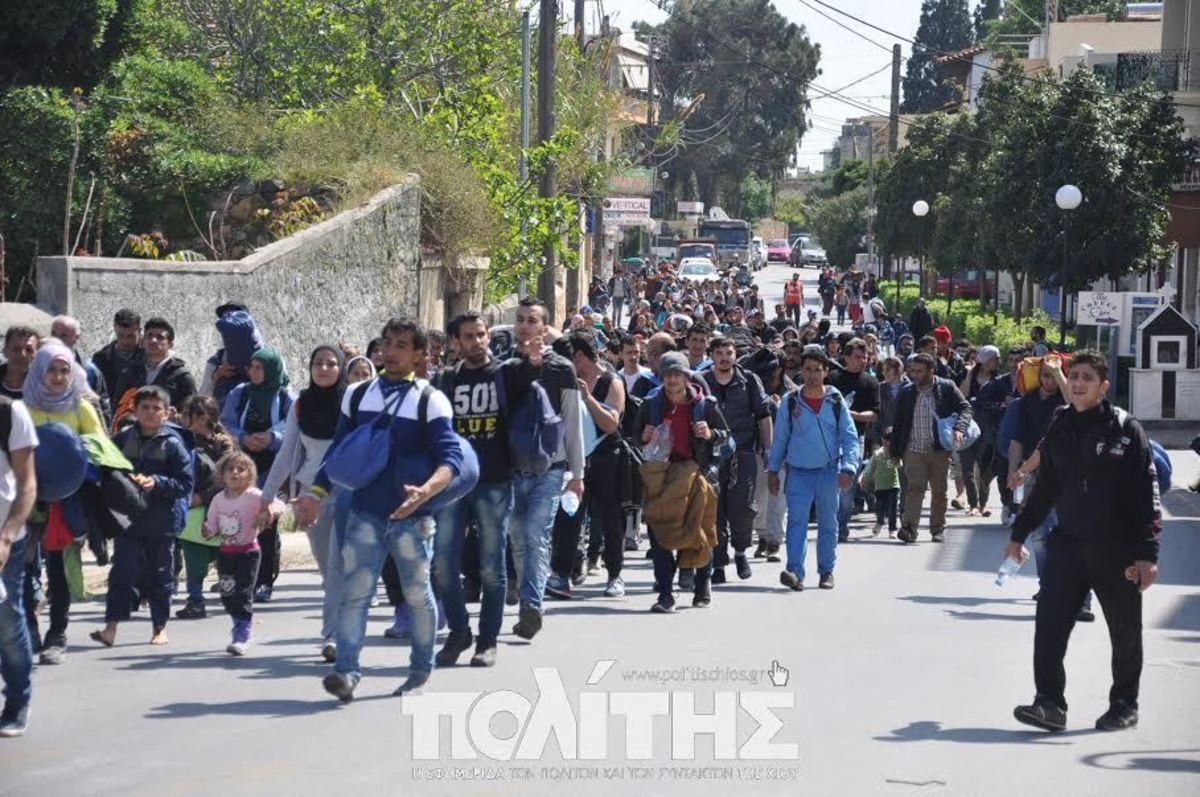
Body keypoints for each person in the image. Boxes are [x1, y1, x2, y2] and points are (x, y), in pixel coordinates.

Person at [296, 318, 467, 702]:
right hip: (364, 514)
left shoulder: (430, 399)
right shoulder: (356, 396)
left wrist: (425, 491)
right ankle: (347, 672)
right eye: (388, 343)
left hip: (412, 521)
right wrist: (314, 494)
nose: (391, 351)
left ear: (420, 354)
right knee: (355, 594)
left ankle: (420, 670)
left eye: (402, 345)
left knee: (418, 596)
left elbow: (451, 459)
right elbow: (338, 453)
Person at [1006, 351, 1161, 733]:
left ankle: (1124, 704)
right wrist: (1018, 533)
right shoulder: (1061, 425)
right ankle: (1049, 704)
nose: (1077, 383)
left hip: (1117, 548)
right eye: (1073, 376)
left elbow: (1147, 495)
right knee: (1049, 625)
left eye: (1086, 378)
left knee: (1124, 631)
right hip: (1068, 545)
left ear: (1104, 386)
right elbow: (1046, 489)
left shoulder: (1126, 429)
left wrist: (1147, 555)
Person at [432, 313, 514, 668]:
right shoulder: (446, 381)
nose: (478, 341)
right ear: (456, 342)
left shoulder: (505, 374)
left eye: (482, 334)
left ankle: (488, 640)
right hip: (453, 482)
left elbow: (547, 367)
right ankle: (459, 631)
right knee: (442, 564)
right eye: (469, 336)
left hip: (495, 480)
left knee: (492, 567)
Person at [503, 298, 585, 641]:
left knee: (536, 535)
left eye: (532, 320)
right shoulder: (504, 367)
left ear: (544, 327)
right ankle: (527, 596)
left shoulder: (561, 368)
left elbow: (572, 423)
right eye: (520, 319)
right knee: (518, 539)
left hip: (549, 470)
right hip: (510, 470)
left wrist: (577, 475)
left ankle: (532, 606)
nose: (525, 326)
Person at [20, 341, 105, 665]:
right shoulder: (22, 407)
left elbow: (101, 449)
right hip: (26, 500)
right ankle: (29, 632)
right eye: (51, 370)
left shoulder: (79, 407)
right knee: (24, 567)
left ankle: (57, 635)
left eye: (64, 370)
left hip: (65, 501)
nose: (57, 377)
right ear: (38, 371)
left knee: (57, 571)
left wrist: (75, 450)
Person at [91, 386, 194, 647]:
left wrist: (156, 483)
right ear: (134, 411)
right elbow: (107, 472)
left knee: (160, 575)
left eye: (156, 408)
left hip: (162, 521)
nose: (150, 413)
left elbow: (184, 484)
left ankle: (159, 627)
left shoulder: (174, 444)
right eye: (145, 407)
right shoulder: (123, 440)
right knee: (121, 574)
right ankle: (110, 628)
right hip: (129, 521)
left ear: (167, 413)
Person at [259, 345, 344, 655]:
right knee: (326, 568)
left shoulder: (352, 403)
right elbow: (286, 453)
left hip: (347, 493)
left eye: (331, 363)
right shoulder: (300, 404)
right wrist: (266, 497)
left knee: (337, 566)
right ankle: (341, 624)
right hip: (311, 498)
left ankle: (333, 636)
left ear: (341, 368)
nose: (323, 369)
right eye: (318, 363)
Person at [638, 352, 728, 613]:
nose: (673, 380)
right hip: (661, 478)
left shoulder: (705, 405)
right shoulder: (651, 404)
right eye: (668, 375)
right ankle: (665, 593)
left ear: (687, 376)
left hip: (696, 475)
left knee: (699, 532)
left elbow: (728, 438)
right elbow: (635, 436)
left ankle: (702, 585)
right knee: (660, 534)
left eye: (677, 374)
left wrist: (711, 434)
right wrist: (643, 437)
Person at [767, 349, 859, 591]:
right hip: (798, 472)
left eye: (817, 370)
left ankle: (826, 571)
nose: (812, 375)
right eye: (807, 369)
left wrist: (848, 468)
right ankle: (795, 572)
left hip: (829, 472)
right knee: (797, 521)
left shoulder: (836, 401)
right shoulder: (790, 401)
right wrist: (773, 470)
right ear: (801, 371)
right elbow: (780, 439)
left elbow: (850, 437)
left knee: (829, 523)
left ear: (826, 372)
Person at [546, 331, 626, 599]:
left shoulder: (611, 381)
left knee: (610, 518)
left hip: (606, 460)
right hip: (574, 460)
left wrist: (587, 397)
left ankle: (615, 574)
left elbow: (611, 423)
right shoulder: (563, 379)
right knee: (568, 516)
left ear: (579, 356)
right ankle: (561, 573)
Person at [220, 347, 293, 603]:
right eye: (251, 366)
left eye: (259, 367)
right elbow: (225, 421)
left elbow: (293, 427)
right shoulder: (239, 393)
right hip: (242, 467)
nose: (253, 371)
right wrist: (243, 438)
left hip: (273, 467)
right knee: (239, 520)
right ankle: (241, 578)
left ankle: (264, 580)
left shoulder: (284, 397)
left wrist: (272, 438)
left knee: (266, 523)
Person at [702, 337, 772, 584]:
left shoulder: (749, 381)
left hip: (743, 453)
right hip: (711, 456)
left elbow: (763, 416)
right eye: (719, 353)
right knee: (715, 511)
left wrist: (768, 450)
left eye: (728, 353)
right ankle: (718, 562)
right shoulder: (702, 382)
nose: (724, 357)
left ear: (735, 355)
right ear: (711, 355)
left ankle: (740, 551)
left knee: (743, 509)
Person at [202, 452, 282, 655]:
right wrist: (209, 530)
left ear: (250, 474)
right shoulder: (218, 499)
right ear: (222, 475)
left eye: (241, 469)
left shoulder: (254, 495)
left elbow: (278, 504)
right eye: (230, 469)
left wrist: (267, 513)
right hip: (226, 553)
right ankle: (238, 622)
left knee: (244, 593)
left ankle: (243, 633)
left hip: (249, 552)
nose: (235, 473)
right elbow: (212, 522)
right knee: (227, 594)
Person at [889, 353, 972, 544]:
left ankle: (937, 528)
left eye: (919, 371)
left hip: (938, 450)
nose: (914, 375)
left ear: (931, 371)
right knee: (914, 489)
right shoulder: (907, 392)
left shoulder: (946, 387)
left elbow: (965, 408)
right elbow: (899, 422)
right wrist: (895, 452)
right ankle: (909, 528)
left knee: (939, 491)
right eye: (912, 371)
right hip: (913, 449)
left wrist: (959, 428)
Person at [174, 396, 235, 621]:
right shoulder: (181, 439)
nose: (186, 418)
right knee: (194, 558)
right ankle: (195, 601)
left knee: (226, 558)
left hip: (220, 510)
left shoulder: (223, 442)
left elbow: (226, 473)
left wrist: (203, 497)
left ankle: (231, 595)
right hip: (191, 513)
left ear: (205, 417)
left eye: (192, 414)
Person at [0, 395, 38, 737]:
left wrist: (7, 536)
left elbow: (27, 485)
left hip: (4, 537)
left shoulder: (10, 413)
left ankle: (16, 703)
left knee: (7, 622)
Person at [827, 338, 880, 542]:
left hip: (855, 436)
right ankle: (830, 521)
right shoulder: (833, 378)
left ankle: (842, 524)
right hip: (830, 436)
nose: (862, 361)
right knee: (830, 481)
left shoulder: (870, 381)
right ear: (846, 357)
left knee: (848, 481)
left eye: (865, 357)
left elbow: (874, 413)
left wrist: (852, 415)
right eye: (857, 357)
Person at [112, 318, 197, 417]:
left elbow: (193, 415)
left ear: (170, 345)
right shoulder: (129, 372)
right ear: (143, 342)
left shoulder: (182, 377)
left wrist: (176, 417)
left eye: (160, 337)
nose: (153, 340)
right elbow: (116, 410)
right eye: (149, 336)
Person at [959, 345, 1003, 517]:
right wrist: (970, 373)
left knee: (984, 466)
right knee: (967, 466)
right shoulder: (969, 375)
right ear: (985, 360)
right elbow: (962, 395)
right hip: (967, 425)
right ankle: (972, 504)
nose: (998, 362)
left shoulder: (999, 380)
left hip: (988, 427)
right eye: (995, 358)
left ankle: (983, 504)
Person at [200, 304, 265, 404]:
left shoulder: (268, 359)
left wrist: (255, 374)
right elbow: (201, 400)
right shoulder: (216, 362)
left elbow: (283, 392)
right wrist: (215, 378)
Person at [91, 309, 143, 397]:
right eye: (120, 335)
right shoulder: (101, 358)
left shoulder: (148, 357)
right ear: (114, 328)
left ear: (139, 330)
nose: (125, 341)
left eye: (130, 336)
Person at [860, 431, 901, 538]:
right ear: (883, 440)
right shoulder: (877, 454)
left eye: (890, 442)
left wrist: (892, 457)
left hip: (893, 485)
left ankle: (893, 529)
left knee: (892, 509)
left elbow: (899, 465)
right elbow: (871, 468)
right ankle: (879, 522)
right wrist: (865, 479)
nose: (887, 444)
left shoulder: (896, 454)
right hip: (880, 486)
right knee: (880, 507)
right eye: (885, 441)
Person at [0, 328, 39, 401]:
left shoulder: (45, 389)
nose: (23, 355)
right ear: (5, 351)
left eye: (29, 350)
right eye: (17, 349)